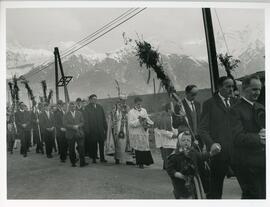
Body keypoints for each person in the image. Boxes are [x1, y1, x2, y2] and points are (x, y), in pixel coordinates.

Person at [198, 76, 237, 199]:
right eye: (228, 86)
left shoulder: (236, 102)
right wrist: (212, 144)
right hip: (219, 153)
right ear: (220, 87)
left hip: (237, 153)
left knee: (249, 187)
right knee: (215, 190)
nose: (231, 89)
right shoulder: (209, 104)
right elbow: (202, 129)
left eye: (232, 87)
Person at [230, 76, 265, 199]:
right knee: (253, 196)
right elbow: (236, 137)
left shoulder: (261, 107)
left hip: (262, 161)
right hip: (246, 163)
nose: (258, 92)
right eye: (254, 89)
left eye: (260, 89)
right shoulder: (235, 110)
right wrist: (259, 138)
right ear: (244, 88)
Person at [166, 130, 220, 199]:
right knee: (183, 196)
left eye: (188, 140)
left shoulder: (193, 152)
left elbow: (201, 157)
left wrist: (211, 153)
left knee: (195, 195)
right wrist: (177, 174)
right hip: (181, 182)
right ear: (179, 142)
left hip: (194, 180)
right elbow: (169, 168)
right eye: (183, 140)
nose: (186, 142)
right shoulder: (175, 155)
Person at [128, 97, 154, 169]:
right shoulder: (131, 112)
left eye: (140, 104)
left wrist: (151, 123)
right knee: (139, 148)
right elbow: (130, 124)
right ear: (135, 103)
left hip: (144, 132)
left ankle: (146, 162)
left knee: (145, 147)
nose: (139, 105)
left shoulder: (144, 110)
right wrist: (139, 121)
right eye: (138, 104)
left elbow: (147, 119)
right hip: (136, 133)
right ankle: (140, 163)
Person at [152, 103, 178, 169]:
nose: (173, 110)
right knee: (167, 154)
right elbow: (161, 130)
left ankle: (166, 166)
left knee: (170, 154)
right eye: (172, 109)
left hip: (170, 138)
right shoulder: (163, 117)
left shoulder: (171, 116)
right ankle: (167, 167)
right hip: (165, 139)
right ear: (168, 109)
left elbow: (172, 127)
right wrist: (171, 135)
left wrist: (176, 132)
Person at [63, 102, 88, 167]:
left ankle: (82, 162)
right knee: (71, 149)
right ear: (69, 108)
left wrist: (78, 126)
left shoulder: (79, 113)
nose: (73, 108)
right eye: (71, 107)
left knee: (81, 148)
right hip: (70, 134)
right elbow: (65, 124)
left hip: (79, 133)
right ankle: (73, 162)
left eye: (74, 106)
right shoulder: (66, 115)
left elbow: (82, 122)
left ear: (75, 107)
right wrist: (72, 127)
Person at [111, 94, 134, 165]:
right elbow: (113, 117)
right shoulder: (116, 107)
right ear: (119, 100)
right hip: (118, 127)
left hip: (126, 127)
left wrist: (127, 115)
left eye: (125, 100)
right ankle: (117, 158)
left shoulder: (127, 107)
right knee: (119, 142)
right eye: (122, 100)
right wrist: (119, 112)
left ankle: (128, 159)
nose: (124, 101)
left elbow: (130, 115)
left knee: (128, 143)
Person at [85, 94, 108, 163]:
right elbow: (86, 120)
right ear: (90, 100)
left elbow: (103, 118)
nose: (95, 100)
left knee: (101, 144)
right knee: (93, 145)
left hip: (100, 130)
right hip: (92, 130)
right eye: (93, 99)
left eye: (96, 99)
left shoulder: (100, 107)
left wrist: (105, 127)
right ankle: (94, 158)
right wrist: (87, 130)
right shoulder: (87, 108)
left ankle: (102, 158)